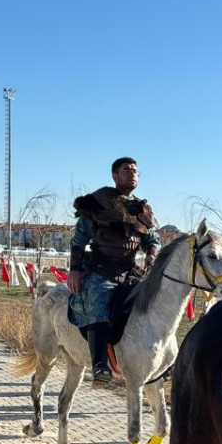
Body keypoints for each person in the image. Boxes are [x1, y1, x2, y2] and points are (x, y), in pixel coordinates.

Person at [68, 157, 161, 385]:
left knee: (152, 305)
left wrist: (152, 253)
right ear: (114, 175)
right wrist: (75, 270)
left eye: (135, 170)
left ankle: (153, 361)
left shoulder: (142, 209)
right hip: (102, 269)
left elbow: (153, 238)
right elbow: (79, 240)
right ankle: (100, 366)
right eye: (125, 170)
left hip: (131, 271)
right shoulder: (99, 201)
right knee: (98, 304)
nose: (131, 174)